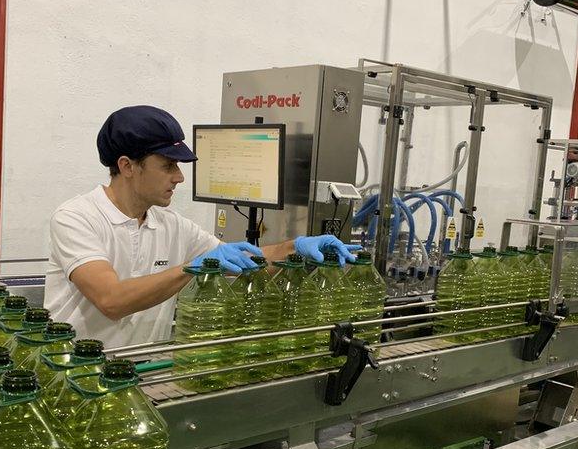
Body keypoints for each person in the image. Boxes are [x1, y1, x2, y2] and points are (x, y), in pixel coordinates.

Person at [44, 105, 359, 348]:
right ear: (127, 166)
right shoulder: (77, 217)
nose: (179, 177)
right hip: (76, 377)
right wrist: (189, 269)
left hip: (141, 372)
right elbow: (112, 301)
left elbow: (247, 263)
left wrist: (297, 247)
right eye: (168, 166)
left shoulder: (172, 226)